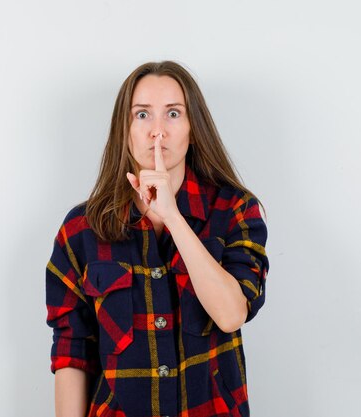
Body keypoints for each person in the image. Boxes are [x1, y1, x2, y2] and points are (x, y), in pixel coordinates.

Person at [45, 61, 269, 417]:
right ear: (126, 129)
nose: (158, 131)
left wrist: (173, 218)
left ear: (193, 129)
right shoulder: (80, 230)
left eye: (174, 114)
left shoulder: (236, 210)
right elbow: (72, 351)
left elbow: (231, 315)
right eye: (143, 115)